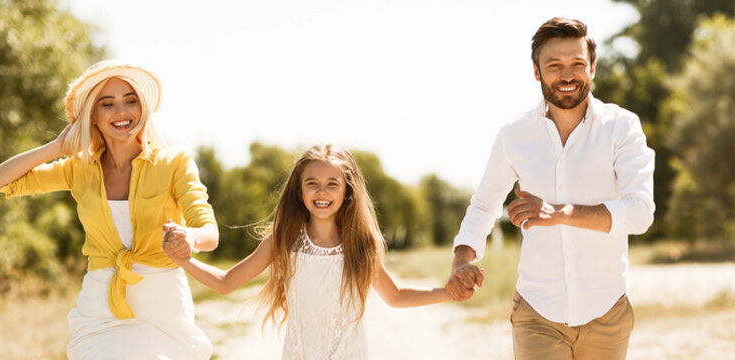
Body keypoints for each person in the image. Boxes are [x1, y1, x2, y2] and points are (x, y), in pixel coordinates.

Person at [445, 17, 655, 359]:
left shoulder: (622, 128)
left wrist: (561, 212)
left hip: (607, 311)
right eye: (554, 65)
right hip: (537, 312)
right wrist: (461, 259)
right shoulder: (514, 135)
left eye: (577, 64)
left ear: (593, 68)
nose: (567, 75)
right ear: (536, 71)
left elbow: (640, 212)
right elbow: (484, 204)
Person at [0, 60, 218, 360]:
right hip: (100, 307)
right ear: (93, 116)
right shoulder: (78, 169)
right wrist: (57, 147)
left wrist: (189, 237)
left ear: (143, 108)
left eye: (130, 101)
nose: (122, 112)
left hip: (162, 305)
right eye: (108, 104)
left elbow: (210, 234)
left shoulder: (174, 163)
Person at [162, 144, 450, 359]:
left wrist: (447, 293)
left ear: (347, 191)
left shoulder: (362, 244)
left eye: (332, 184)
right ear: (300, 191)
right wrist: (184, 259)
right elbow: (226, 283)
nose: (321, 192)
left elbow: (395, 296)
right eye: (312, 184)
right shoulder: (283, 240)